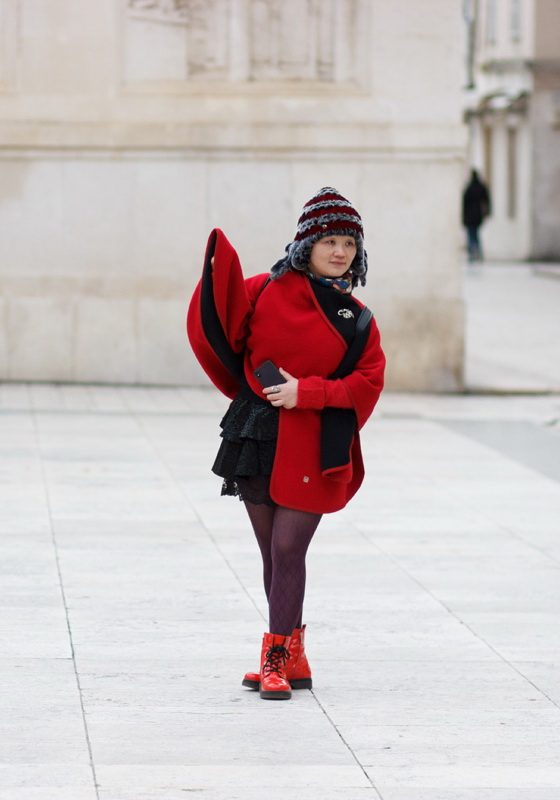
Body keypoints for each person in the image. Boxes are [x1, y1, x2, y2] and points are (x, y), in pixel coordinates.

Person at [186, 188, 386, 700]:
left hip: (317, 442)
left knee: (288, 545)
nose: (339, 251)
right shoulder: (263, 290)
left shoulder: (359, 320)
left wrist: (308, 391)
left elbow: (367, 384)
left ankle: (273, 658)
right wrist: (216, 270)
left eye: (348, 243)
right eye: (329, 240)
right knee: (272, 555)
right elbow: (220, 331)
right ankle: (291, 655)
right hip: (256, 432)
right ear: (306, 243)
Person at [462, 169, 491, 262]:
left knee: (471, 235)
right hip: (478, 216)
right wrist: (487, 213)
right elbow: (487, 201)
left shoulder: (469, 188)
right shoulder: (481, 187)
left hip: (470, 217)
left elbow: (464, 204)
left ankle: (472, 254)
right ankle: (478, 253)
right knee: (476, 235)